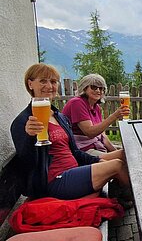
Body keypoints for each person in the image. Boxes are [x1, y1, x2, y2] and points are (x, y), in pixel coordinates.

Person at [11, 63, 131, 202]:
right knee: (117, 165)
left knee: (119, 159)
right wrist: (29, 137)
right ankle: (138, 199)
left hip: (73, 171)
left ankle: (124, 196)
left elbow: (75, 152)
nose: (49, 86)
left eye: (53, 82)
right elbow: (27, 163)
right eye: (43, 81)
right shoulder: (24, 122)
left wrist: (98, 160)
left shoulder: (59, 117)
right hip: (54, 181)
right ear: (30, 84)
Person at [62, 73, 129, 156]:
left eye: (101, 88)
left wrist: (115, 152)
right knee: (124, 160)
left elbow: (102, 136)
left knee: (127, 155)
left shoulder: (96, 107)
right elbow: (90, 132)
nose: (98, 90)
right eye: (94, 87)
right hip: (80, 150)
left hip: (94, 146)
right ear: (84, 88)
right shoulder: (77, 103)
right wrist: (114, 116)